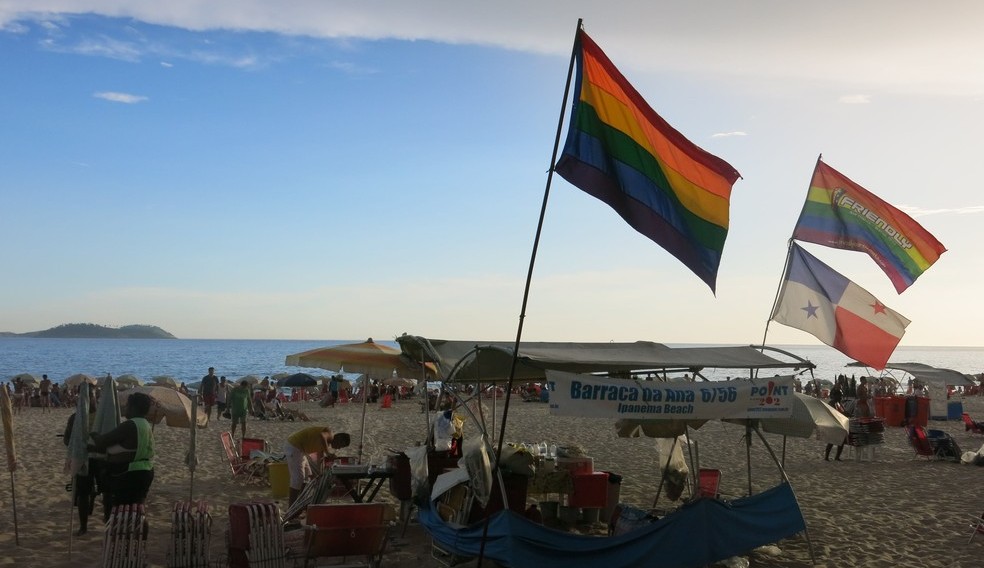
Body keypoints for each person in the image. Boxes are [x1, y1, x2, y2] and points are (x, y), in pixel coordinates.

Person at [89, 392, 155, 507]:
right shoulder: (145, 424)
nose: (126, 408)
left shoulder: (130, 425)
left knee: (122, 510)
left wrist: (94, 434)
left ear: (134, 407)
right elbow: (127, 448)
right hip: (146, 471)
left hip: (129, 473)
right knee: (137, 510)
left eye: (128, 405)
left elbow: (102, 441)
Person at [63, 390, 109, 535]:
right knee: (84, 493)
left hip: (100, 459)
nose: (90, 400)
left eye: (92, 396)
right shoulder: (76, 418)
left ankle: (105, 524)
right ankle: (83, 526)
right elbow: (67, 440)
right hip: (85, 459)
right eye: (88, 397)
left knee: (106, 492)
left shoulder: (100, 418)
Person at [284, 426, 351, 506]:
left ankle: (299, 504)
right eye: (341, 445)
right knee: (298, 479)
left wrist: (320, 473)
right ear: (339, 438)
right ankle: (291, 507)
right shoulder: (330, 434)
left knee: (307, 477)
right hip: (294, 446)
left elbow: (320, 458)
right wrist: (328, 453)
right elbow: (322, 435)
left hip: (301, 450)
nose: (339, 448)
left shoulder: (325, 443)